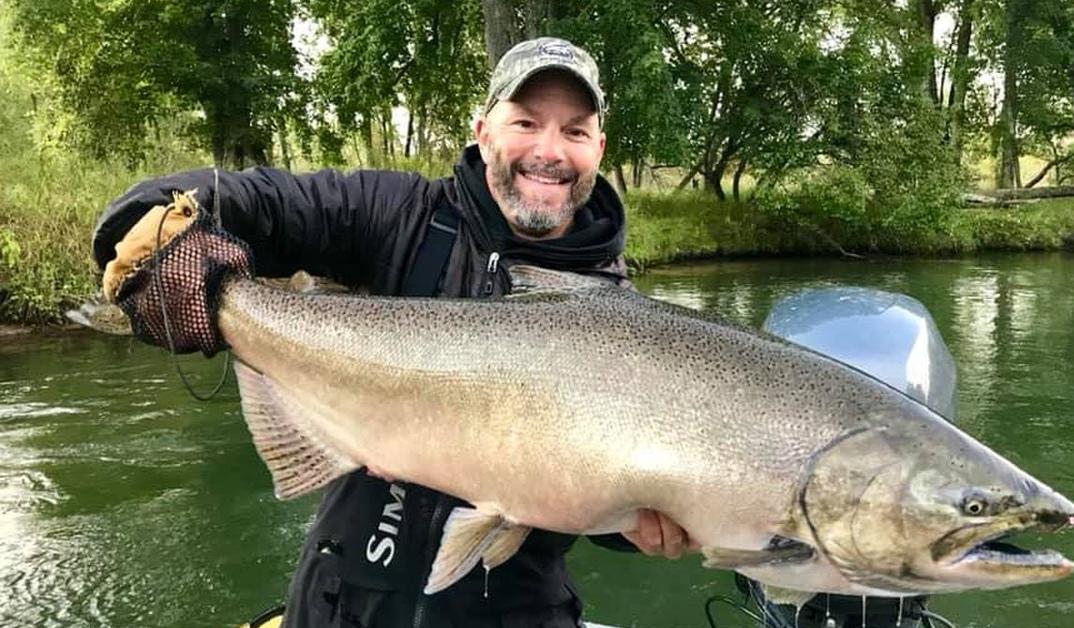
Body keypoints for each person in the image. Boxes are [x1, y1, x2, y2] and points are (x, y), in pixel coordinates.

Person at [93, 37, 696, 628]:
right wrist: (156, 226)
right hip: (342, 601)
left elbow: (608, 503)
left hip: (515, 607)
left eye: (575, 131)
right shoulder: (397, 213)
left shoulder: (622, 319)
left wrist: (641, 528)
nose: (550, 150)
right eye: (526, 123)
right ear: (483, 131)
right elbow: (256, 201)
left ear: (599, 148)